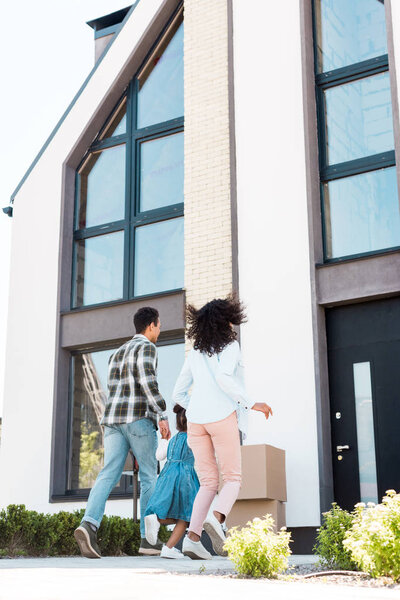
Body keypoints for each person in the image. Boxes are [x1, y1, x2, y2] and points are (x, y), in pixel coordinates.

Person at [173, 295, 273, 560]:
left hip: (196, 422)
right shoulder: (230, 347)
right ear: (226, 320)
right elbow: (223, 378)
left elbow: (178, 392)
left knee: (208, 482)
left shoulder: (195, 352)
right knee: (232, 478)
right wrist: (253, 404)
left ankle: (192, 540)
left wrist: (194, 407)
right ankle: (216, 520)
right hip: (221, 416)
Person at [74, 307, 171, 559]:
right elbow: (148, 382)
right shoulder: (147, 348)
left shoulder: (116, 354)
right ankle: (149, 540)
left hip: (112, 421)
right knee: (150, 476)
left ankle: (89, 524)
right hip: (138, 419)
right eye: (159, 326)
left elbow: (115, 389)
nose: (159, 331)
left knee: (107, 474)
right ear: (150, 325)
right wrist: (162, 414)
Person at [144, 404, 200, 559]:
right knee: (185, 516)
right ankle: (169, 548)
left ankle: (156, 520)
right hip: (185, 478)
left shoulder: (172, 439)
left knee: (174, 513)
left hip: (167, 475)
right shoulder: (193, 438)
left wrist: (164, 439)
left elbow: (158, 456)